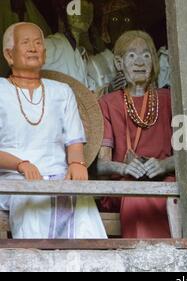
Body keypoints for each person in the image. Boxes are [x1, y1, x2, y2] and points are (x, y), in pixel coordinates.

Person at [0, 22, 106, 239]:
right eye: (26, 43)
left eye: (38, 43)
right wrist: (21, 164)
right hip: (15, 181)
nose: (33, 48)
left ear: (45, 54)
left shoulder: (62, 91)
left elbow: (74, 141)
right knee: (32, 202)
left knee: (84, 206)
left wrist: (77, 163)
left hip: (60, 177)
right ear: (9, 55)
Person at [97, 31, 176, 239]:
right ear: (118, 63)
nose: (140, 62)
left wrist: (163, 165)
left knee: (170, 193)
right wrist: (124, 167)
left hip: (164, 181)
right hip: (124, 183)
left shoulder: (169, 99)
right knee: (137, 194)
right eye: (131, 56)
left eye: (146, 55)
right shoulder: (108, 102)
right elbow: (101, 164)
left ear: (155, 61)